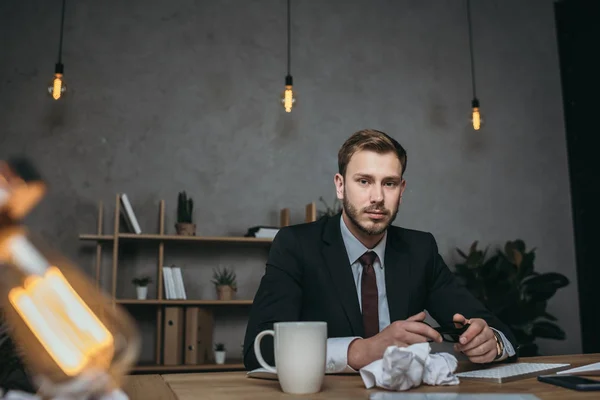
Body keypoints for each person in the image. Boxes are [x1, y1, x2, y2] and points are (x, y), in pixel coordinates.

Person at [243, 129, 517, 373]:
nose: (377, 197)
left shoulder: (420, 250)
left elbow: (496, 329)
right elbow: (261, 350)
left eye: (389, 183)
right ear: (340, 185)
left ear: (402, 189)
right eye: (364, 181)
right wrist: (364, 350)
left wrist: (490, 341)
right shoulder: (296, 246)